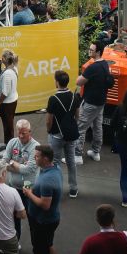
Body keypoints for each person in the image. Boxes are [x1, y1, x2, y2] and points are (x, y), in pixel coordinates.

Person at [45, 70, 80, 199]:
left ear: (57, 82)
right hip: (71, 134)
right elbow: (77, 115)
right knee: (71, 161)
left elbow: (49, 120)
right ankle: (73, 188)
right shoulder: (74, 97)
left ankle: (57, 188)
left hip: (56, 135)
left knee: (55, 162)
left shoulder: (53, 99)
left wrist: (49, 130)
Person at [22, 145, 62, 254]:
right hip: (47, 219)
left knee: (40, 250)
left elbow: (45, 205)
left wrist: (29, 194)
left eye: (37, 156)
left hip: (43, 222)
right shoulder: (55, 168)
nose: (34, 158)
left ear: (45, 159)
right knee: (48, 245)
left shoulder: (47, 180)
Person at [77, 41, 112, 162]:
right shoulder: (105, 64)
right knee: (97, 127)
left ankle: (77, 155)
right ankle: (96, 152)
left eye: (91, 50)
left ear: (98, 52)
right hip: (101, 102)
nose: (89, 51)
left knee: (81, 127)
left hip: (90, 102)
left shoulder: (92, 67)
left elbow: (79, 82)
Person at [0, 51, 20, 148]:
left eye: (2, 58)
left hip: (6, 103)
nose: (1, 59)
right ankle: (7, 143)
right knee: (7, 124)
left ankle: (9, 148)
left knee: (8, 125)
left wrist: (0, 102)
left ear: (5, 59)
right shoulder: (13, 68)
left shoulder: (7, 74)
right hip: (11, 101)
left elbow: (5, 92)